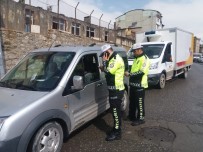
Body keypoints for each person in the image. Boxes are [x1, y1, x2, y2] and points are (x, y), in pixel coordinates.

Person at [99, 44, 125, 141]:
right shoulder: (113, 59)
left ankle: (117, 133)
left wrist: (105, 63)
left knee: (115, 112)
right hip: (114, 90)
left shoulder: (115, 59)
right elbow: (109, 71)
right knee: (114, 112)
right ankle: (115, 129)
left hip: (116, 91)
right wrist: (104, 66)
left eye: (103, 55)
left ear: (107, 52)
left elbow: (109, 72)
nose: (103, 57)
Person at [125, 43, 150, 126]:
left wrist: (129, 74)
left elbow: (141, 72)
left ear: (139, 50)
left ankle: (141, 118)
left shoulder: (145, 59)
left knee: (139, 102)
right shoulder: (136, 58)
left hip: (140, 85)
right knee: (132, 102)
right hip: (133, 85)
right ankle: (132, 116)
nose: (133, 53)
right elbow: (134, 70)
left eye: (134, 51)